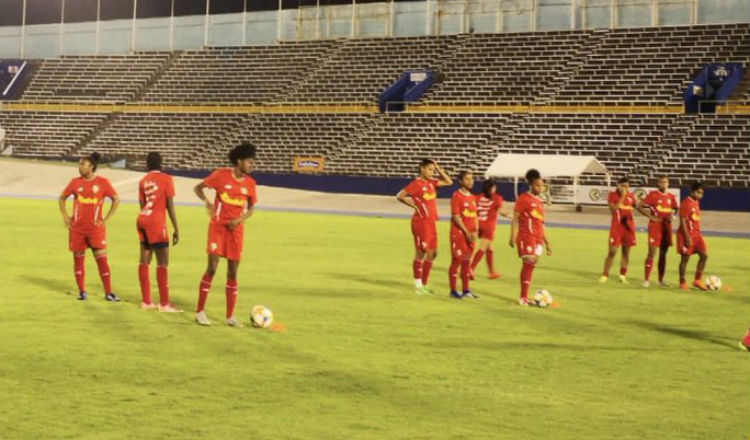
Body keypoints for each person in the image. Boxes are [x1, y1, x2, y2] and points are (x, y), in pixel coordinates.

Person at [193, 143, 259, 326]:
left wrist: (240, 220)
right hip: (218, 228)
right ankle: (200, 312)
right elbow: (198, 188)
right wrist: (207, 203)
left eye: (252, 162)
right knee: (212, 268)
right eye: (249, 162)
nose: (252, 165)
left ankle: (230, 316)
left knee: (232, 272)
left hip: (236, 232)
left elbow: (252, 208)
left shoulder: (250, 184)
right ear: (239, 161)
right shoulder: (220, 176)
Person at [58, 152, 120, 301]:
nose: (79, 167)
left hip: (95, 230)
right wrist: (66, 217)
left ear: (91, 166)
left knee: (102, 260)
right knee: (78, 260)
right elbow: (62, 198)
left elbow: (116, 199)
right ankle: (82, 291)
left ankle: (108, 292)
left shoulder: (103, 183)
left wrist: (106, 219)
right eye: (79, 164)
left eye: (82, 164)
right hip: (77, 229)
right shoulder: (75, 182)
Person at [396, 159, 453, 294]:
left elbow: (449, 182)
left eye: (433, 170)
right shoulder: (416, 184)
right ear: (422, 168)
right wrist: (414, 206)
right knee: (421, 252)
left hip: (431, 222)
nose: (432, 172)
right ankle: (418, 285)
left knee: (433, 253)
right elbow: (400, 196)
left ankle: (424, 283)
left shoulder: (431, 183)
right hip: (421, 222)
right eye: (429, 169)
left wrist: (439, 169)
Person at [136, 152, 181, 312]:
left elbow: (142, 204)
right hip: (156, 222)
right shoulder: (167, 179)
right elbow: (170, 205)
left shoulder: (143, 181)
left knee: (144, 260)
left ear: (147, 165)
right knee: (163, 262)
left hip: (142, 219)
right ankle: (164, 304)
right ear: (161, 163)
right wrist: (176, 227)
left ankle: (146, 302)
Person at [509, 169, 551, 306]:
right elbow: (515, 218)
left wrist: (547, 243)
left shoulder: (539, 202)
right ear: (532, 184)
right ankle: (523, 297)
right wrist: (512, 236)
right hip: (527, 236)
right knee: (528, 263)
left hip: (538, 239)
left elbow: (541, 224)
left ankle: (526, 297)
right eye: (538, 185)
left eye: (542, 185)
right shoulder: (523, 199)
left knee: (531, 266)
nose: (541, 187)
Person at [636, 176, 678, 287]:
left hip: (666, 227)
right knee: (652, 252)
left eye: (666, 182)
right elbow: (639, 206)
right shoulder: (653, 195)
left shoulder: (671, 197)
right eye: (662, 182)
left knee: (663, 254)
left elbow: (676, 208)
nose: (664, 184)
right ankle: (646, 280)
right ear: (658, 184)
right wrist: (651, 216)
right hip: (655, 227)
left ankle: (660, 280)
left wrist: (673, 216)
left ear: (668, 184)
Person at [470, 178, 510, 279]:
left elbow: (472, 209)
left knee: (489, 248)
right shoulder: (497, 198)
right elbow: (501, 212)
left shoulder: (477, 197)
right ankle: (470, 269)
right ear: (492, 188)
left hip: (477, 225)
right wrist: (510, 216)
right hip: (489, 226)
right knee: (482, 248)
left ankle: (491, 272)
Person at [599, 177, 636, 283]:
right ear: (618, 185)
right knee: (612, 251)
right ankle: (605, 274)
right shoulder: (612, 195)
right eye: (623, 186)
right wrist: (623, 196)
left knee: (626, 252)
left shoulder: (632, 196)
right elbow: (613, 210)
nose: (625, 188)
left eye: (627, 186)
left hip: (628, 228)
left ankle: (623, 275)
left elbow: (634, 207)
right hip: (616, 227)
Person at [449, 171, 479, 299]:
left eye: (472, 179)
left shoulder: (472, 197)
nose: (470, 181)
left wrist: (476, 230)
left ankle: (466, 290)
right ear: (460, 181)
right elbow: (456, 216)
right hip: (459, 234)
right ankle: (453, 291)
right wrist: (467, 232)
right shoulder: (457, 196)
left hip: (470, 235)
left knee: (467, 262)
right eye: (467, 179)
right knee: (457, 261)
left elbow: (475, 215)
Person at [677, 182, 709, 291]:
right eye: (698, 193)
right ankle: (682, 283)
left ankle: (697, 280)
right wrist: (687, 237)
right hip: (686, 234)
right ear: (692, 192)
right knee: (685, 259)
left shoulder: (696, 202)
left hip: (697, 234)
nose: (700, 195)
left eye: (702, 193)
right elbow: (682, 221)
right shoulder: (686, 203)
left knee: (704, 255)